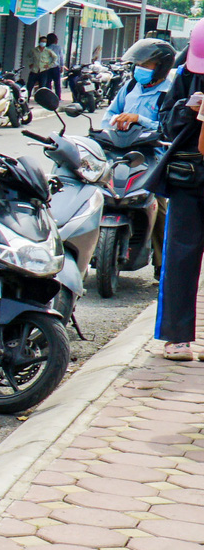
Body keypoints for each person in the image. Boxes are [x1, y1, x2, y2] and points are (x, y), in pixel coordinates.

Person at [154, 23, 204, 361]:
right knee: (181, 257)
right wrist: (187, 109)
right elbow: (164, 121)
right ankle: (177, 336)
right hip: (190, 178)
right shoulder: (186, 73)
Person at [107, 37, 178, 134]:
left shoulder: (168, 94)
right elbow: (111, 113)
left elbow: (167, 128)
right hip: (121, 143)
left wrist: (139, 119)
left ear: (161, 68)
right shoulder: (130, 86)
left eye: (145, 65)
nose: (139, 68)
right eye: (138, 65)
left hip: (150, 146)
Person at [32, 32, 62, 98]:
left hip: (46, 68)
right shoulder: (58, 47)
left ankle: (49, 97)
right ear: (55, 40)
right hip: (55, 67)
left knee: (48, 83)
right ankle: (58, 97)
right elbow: (60, 58)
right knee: (57, 83)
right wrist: (62, 66)